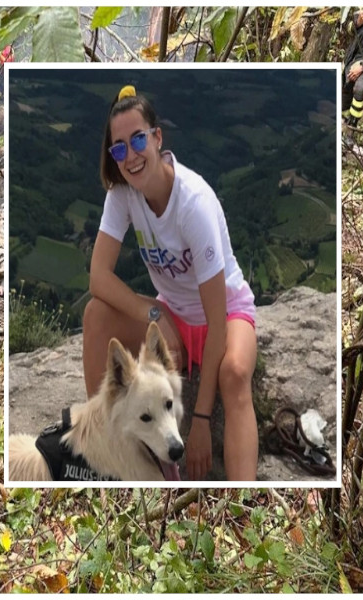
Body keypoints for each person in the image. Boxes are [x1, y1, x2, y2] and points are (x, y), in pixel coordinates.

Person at [82, 85, 258, 481]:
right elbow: (98, 278)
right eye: (119, 148)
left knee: (234, 374)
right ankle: (104, 449)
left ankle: (241, 498)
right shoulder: (123, 194)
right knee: (96, 317)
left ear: (157, 138)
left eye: (138, 139)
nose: (130, 156)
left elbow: (216, 318)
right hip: (174, 315)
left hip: (226, 315)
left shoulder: (192, 203)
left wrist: (199, 421)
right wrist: (155, 312)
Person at [342, 7, 363, 144]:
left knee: (360, 88)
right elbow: (348, 29)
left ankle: (351, 130)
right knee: (342, 99)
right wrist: (358, 23)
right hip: (351, 61)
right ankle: (342, 124)